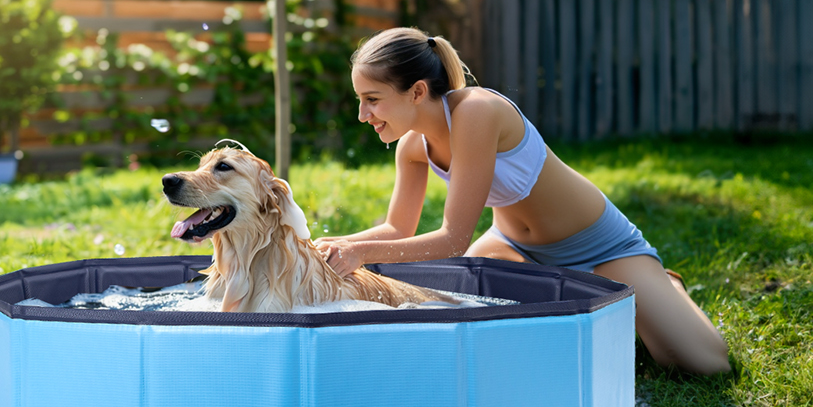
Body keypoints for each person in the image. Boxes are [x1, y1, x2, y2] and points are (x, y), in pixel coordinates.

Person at [313, 27, 731, 376]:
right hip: (513, 249)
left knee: (703, 365)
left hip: (600, 249)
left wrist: (360, 252)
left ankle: (660, 283)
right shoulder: (412, 148)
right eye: (359, 100)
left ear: (417, 91)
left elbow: (453, 240)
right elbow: (396, 230)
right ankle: (579, 300)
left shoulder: (477, 112)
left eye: (372, 99)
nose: (362, 115)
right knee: (458, 322)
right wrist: (324, 248)